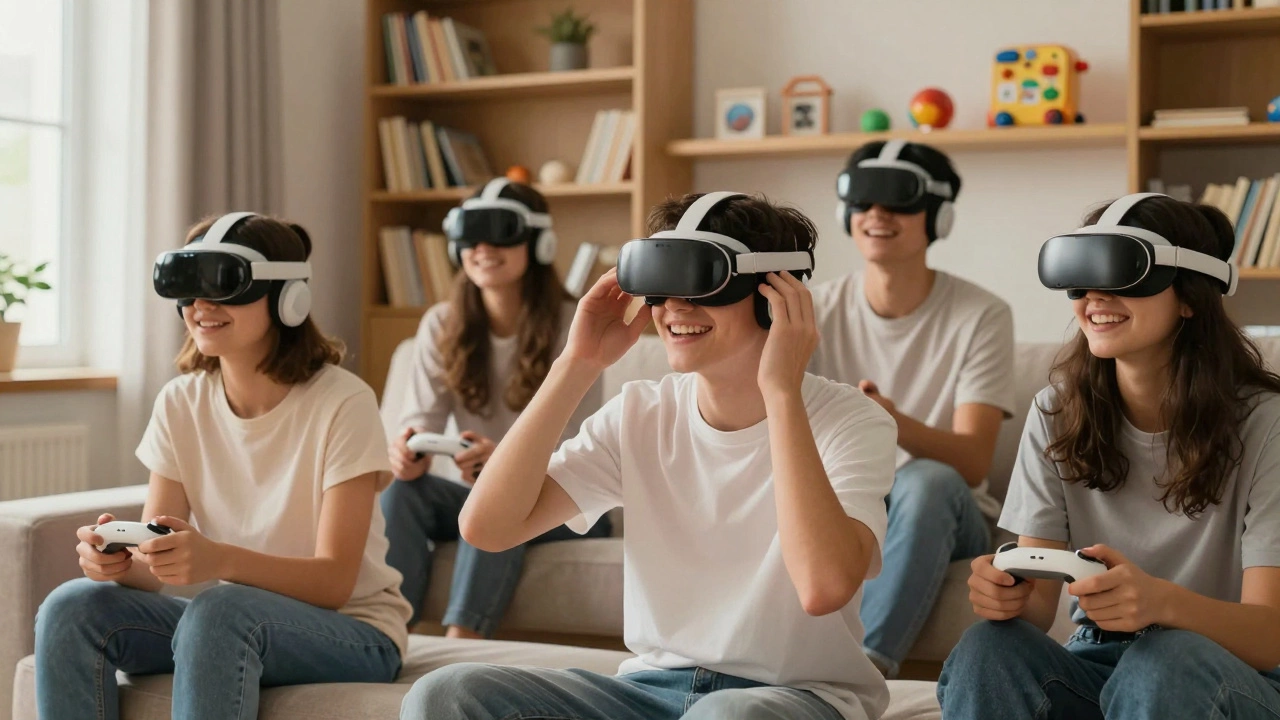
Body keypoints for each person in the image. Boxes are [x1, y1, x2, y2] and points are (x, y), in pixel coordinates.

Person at [399, 191, 899, 720]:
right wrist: (577, 362)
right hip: (649, 691)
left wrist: (782, 394)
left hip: (792, 697)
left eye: (703, 282)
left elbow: (823, 588)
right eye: (661, 288)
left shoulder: (851, 420)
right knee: (445, 695)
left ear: (774, 296)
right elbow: (488, 528)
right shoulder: (640, 411)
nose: (675, 308)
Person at [34, 213, 410, 720]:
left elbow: (335, 582)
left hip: (354, 631)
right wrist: (119, 559)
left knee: (220, 609)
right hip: (237, 622)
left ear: (286, 296)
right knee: (73, 607)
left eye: (224, 285)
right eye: (187, 288)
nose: (201, 306)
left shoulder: (343, 402)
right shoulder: (180, 402)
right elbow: (154, 563)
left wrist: (220, 561)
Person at [938, 193, 1280, 719]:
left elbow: (1270, 634)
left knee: (1167, 658)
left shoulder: (1267, 423)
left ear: (1189, 296)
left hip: (1230, 676)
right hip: (1098, 664)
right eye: (1081, 274)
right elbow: (1037, 604)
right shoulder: (1057, 411)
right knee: (988, 648)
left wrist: (1161, 604)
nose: (1095, 295)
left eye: (1123, 273)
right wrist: (1003, 595)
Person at [809, 139, 1015, 677]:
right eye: (864, 200)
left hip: (947, 511)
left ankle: (861, 671)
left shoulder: (982, 315)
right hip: (846, 500)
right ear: (845, 212)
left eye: (899, 200)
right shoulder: (811, 311)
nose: (877, 214)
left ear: (938, 216)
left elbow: (971, 463)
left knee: (928, 480)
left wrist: (888, 421)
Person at [381, 178, 609, 638]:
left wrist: (504, 463)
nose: (482, 247)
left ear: (539, 242)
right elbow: (418, 424)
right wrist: (407, 454)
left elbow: (581, 448)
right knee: (403, 494)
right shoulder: (441, 324)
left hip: (565, 504)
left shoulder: (578, 325)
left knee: (497, 500)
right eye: (470, 234)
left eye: (499, 231)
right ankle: (382, 631)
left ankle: (461, 641)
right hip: (476, 490)